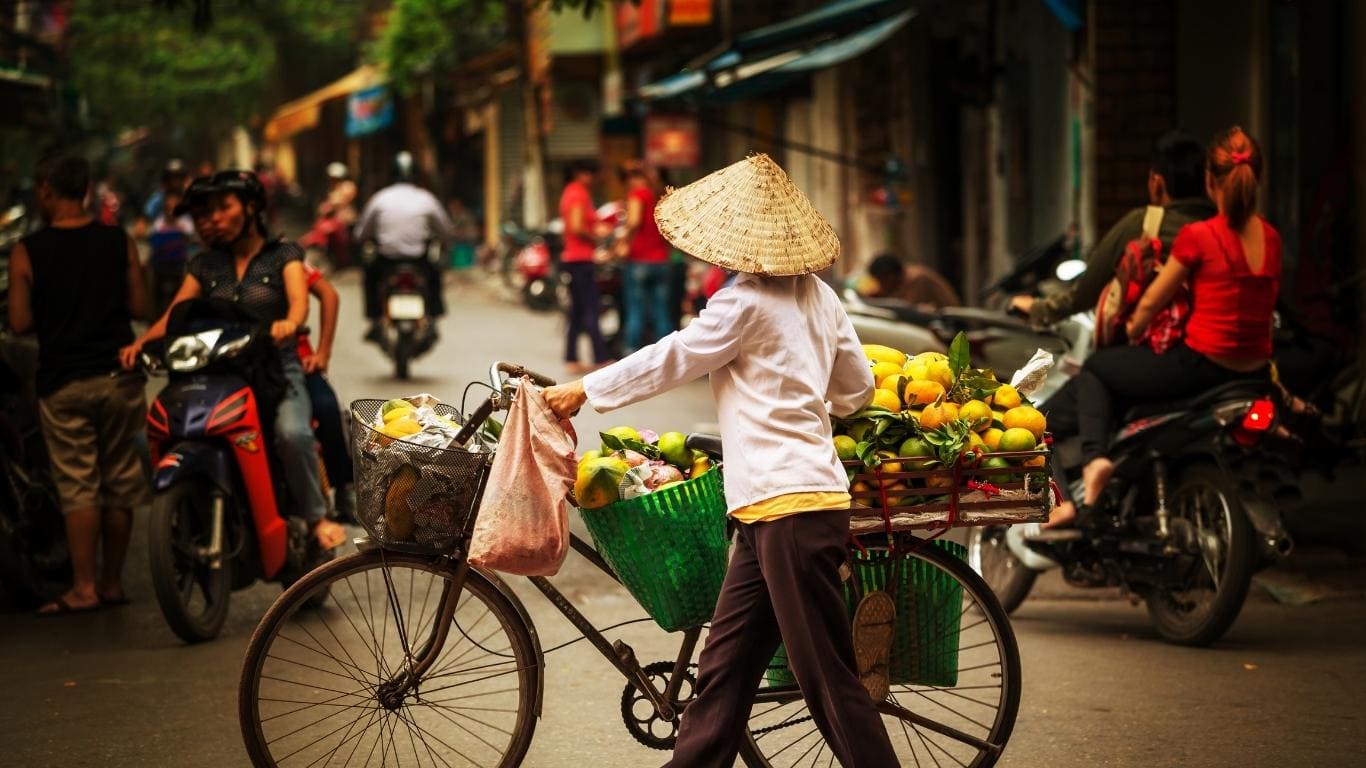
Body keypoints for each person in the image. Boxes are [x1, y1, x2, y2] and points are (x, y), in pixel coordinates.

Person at [544, 154, 899, 767]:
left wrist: (585, 389)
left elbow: (672, 357)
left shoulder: (744, 303)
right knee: (724, 674)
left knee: (828, 681)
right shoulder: (821, 296)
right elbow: (856, 392)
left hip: (789, 511)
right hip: (775, 509)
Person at [1049, 127, 1280, 527]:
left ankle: (1094, 462)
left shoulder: (1200, 236)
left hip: (1201, 367)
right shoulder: (1272, 237)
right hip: (1254, 372)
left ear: (1210, 180)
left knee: (1098, 367)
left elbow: (1151, 301)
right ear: (1256, 178)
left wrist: (1135, 327)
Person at [119, 170, 346, 549]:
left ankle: (315, 517)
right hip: (214, 370)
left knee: (292, 434)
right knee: (152, 437)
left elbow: (300, 302)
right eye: (206, 213)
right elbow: (174, 313)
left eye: (223, 207)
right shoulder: (204, 265)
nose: (213, 219)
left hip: (275, 368)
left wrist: (290, 324)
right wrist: (141, 343)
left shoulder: (283, 255)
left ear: (251, 207)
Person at [7, 153, 149, 614]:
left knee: (78, 485)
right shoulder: (118, 241)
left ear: (47, 190)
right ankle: (112, 583)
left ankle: (84, 588)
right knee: (120, 481)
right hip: (119, 378)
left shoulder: (28, 250)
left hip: (63, 382)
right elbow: (140, 306)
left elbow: (19, 322)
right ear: (86, 190)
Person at [1012, 131, 1213, 325]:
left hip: (1162, 341)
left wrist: (1039, 309)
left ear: (1157, 183)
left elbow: (1086, 292)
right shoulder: (1221, 226)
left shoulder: (1145, 223)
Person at [355, 151, 455, 343]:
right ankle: (434, 317)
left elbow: (361, 233)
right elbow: (445, 230)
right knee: (434, 276)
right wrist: (443, 242)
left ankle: (374, 321)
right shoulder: (426, 198)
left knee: (370, 278)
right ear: (416, 174)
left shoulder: (380, 198)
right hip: (418, 260)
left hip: (387, 259)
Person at [296, 260, 355, 521]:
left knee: (328, 409)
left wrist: (322, 353)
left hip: (296, 362)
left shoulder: (285, 258)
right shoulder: (210, 265)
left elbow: (329, 294)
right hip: (235, 365)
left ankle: (345, 486)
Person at [559, 159, 612, 373]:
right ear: (581, 174)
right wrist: (596, 237)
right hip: (580, 259)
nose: (594, 179)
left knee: (577, 311)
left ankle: (571, 357)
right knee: (590, 309)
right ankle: (600, 358)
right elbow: (576, 226)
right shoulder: (578, 193)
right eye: (591, 174)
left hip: (574, 259)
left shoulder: (571, 192)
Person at [619, 161, 675, 353]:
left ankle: (632, 353)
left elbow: (634, 221)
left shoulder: (638, 194)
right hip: (661, 260)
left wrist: (622, 242)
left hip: (640, 261)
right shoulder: (657, 195)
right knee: (661, 311)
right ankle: (667, 354)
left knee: (636, 310)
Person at [146, 189, 198, 318]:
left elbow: (193, 238)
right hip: (160, 264)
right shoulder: (159, 222)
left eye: (174, 208)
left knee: (178, 291)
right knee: (158, 293)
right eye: (168, 207)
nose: (171, 211)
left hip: (179, 264)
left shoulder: (185, 223)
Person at [300, 162, 358, 268]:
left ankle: (343, 259)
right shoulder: (331, 189)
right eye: (331, 178)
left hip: (344, 219)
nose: (333, 181)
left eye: (336, 178)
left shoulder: (348, 186)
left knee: (328, 230)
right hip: (332, 218)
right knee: (319, 227)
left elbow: (338, 202)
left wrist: (328, 206)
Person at [859, 253, 961, 309]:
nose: (881, 285)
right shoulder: (902, 278)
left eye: (882, 281)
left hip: (952, 322)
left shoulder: (917, 278)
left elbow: (907, 308)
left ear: (891, 276)